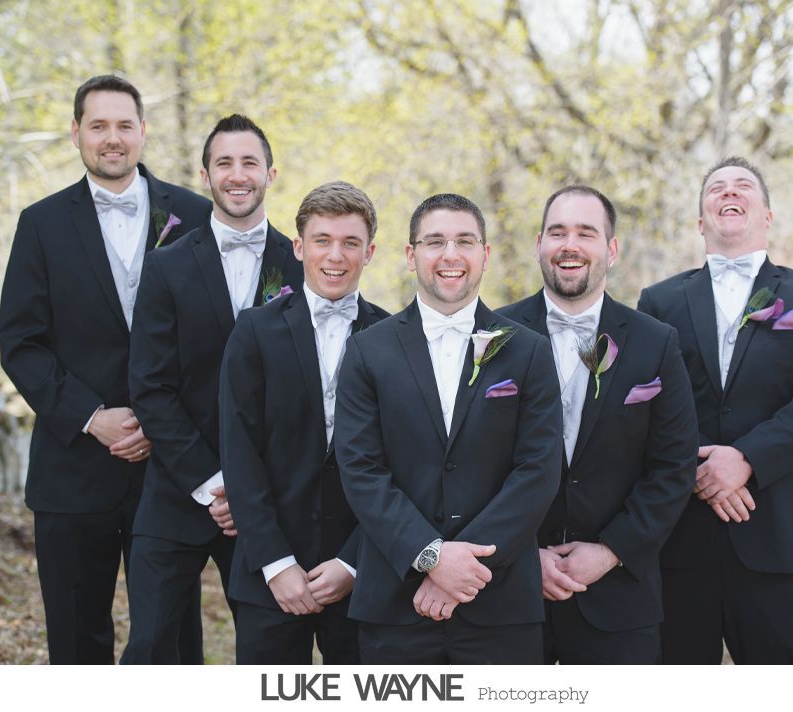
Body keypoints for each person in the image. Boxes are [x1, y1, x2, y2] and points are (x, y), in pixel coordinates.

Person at [0, 74, 211, 664]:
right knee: (75, 642)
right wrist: (92, 417)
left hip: (170, 472)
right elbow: (21, 343)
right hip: (72, 470)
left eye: (123, 125)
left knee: (169, 644)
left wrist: (163, 422)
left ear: (143, 132)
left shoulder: (195, 216)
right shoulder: (39, 224)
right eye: (98, 126)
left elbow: (217, 338)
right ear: (76, 134)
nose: (111, 138)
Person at [334, 193, 562, 664]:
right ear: (411, 254)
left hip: (499, 604)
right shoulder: (366, 351)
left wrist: (468, 567)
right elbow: (360, 470)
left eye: (464, 241)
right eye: (435, 241)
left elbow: (537, 470)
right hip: (397, 601)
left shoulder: (530, 351)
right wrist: (431, 556)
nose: (450, 255)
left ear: (485, 254)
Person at [638, 156, 793, 664]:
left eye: (742, 186)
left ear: (767, 214)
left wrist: (746, 459)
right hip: (680, 543)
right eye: (716, 188)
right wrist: (693, 468)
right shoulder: (658, 301)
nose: (729, 192)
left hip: (776, 536)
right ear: (700, 221)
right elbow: (640, 405)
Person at [120, 114, 303, 663]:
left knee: (269, 659)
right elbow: (150, 388)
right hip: (179, 490)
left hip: (269, 507)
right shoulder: (166, 267)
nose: (237, 174)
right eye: (224, 162)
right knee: (150, 650)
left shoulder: (301, 266)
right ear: (205, 175)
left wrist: (248, 492)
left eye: (249, 162)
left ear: (271, 173)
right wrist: (215, 483)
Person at [498, 185, 697, 664]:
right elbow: (471, 464)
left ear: (611, 249)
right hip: (509, 598)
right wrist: (523, 557)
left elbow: (673, 466)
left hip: (620, 600)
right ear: (538, 245)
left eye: (586, 233)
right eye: (557, 232)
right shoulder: (492, 335)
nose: (570, 245)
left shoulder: (656, 343)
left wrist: (611, 550)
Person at [219, 181, 389, 664]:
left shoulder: (395, 337)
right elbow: (240, 454)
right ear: (298, 247)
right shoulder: (253, 332)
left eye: (350, 243)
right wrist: (276, 564)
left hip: (364, 574)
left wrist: (353, 562)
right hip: (268, 574)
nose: (335, 256)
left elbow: (403, 463)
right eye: (322, 240)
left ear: (369, 251)